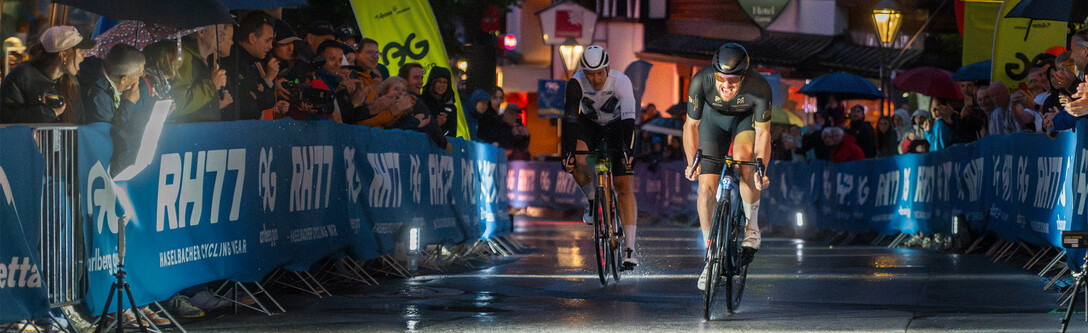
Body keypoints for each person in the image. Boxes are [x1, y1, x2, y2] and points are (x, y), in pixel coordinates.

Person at [681, 43, 772, 289]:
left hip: (744, 121)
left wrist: (761, 169)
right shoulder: (701, 81)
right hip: (712, 123)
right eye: (721, 77)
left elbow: (763, 134)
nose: (726, 84)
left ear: (744, 76)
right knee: (705, 189)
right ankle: (711, 258)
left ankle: (752, 229)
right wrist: (692, 162)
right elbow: (690, 126)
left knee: (744, 163)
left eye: (733, 79)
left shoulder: (759, 87)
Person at [561, 45, 640, 269]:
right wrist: (567, 152)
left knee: (623, 185)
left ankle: (629, 249)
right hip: (589, 126)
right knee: (576, 160)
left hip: (617, 126)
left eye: (599, 73)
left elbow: (629, 122)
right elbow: (570, 120)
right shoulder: (575, 83)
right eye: (590, 74)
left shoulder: (621, 81)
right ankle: (592, 200)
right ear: (583, 72)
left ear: (608, 68)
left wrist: (628, 150)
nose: (595, 79)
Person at [1, 25, 91, 124]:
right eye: (80, 51)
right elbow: (5, 117)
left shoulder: (72, 82)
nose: (84, 55)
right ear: (63, 54)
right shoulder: (21, 77)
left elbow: (79, 123)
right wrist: (44, 114)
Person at [222, 12, 278, 121]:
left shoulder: (252, 62)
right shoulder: (234, 62)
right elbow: (249, 109)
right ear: (252, 38)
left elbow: (268, 102)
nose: (270, 46)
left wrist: (267, 81)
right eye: (267, 40)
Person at [172, 23, 232, 123]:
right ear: (201, 32)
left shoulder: (204, 60)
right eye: (219, 29)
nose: (223, 34)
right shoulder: (183, 58)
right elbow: (178, 103)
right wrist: (211, 85)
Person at [420, 66, 457, 136]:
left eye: (445, 82)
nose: (442, 85)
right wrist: (436, 124)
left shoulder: (451, 107)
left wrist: (446, 122)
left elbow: (452, 134)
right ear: (433, 82)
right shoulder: (422, 102)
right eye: (439, 81)